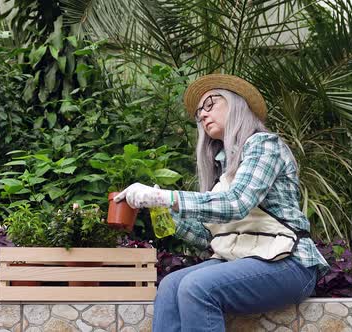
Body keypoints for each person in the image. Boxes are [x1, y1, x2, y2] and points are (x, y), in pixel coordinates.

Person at [114, 74, 329, 332]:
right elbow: (208, 239)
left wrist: (166, 197)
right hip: (240, 259)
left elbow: (237, 202)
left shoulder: (264, 146)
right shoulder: (221, 168)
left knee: (196, 287)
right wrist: (158, 206)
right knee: (171, 285)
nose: (202, 115)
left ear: (236, 104)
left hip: (290, 263)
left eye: (210, 104)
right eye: (198, 113)